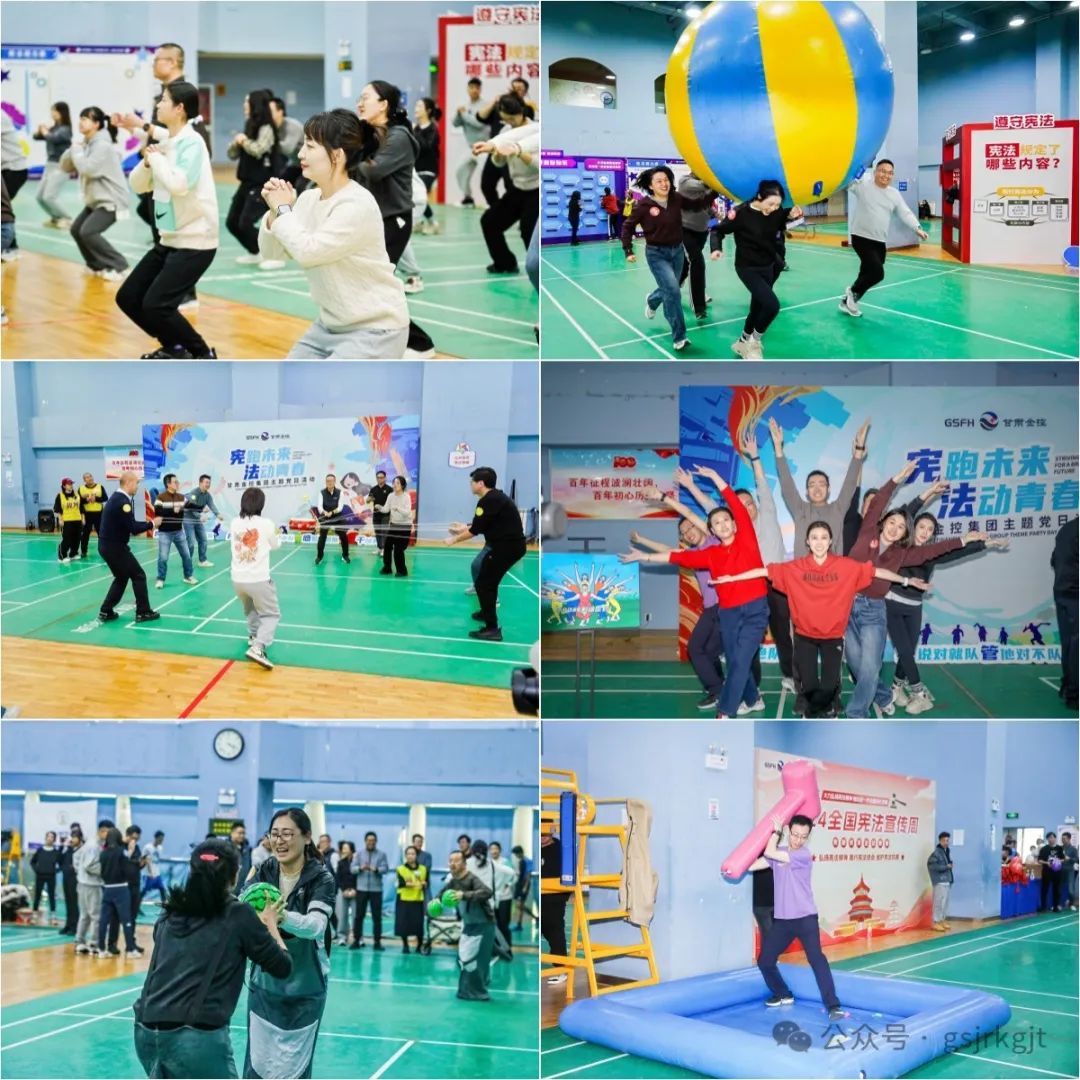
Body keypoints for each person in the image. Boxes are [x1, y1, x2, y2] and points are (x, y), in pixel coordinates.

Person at [713, 521, 929, 717]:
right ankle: (817, 713)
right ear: (807, 542)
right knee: (808, 684)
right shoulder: (795, 567)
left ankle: (822, 711)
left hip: (833, 637)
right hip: (804, 637)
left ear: (830, 541)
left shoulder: (845, 566)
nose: (819, 542)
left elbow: (877, 572)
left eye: (824, 537)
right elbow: (762, 571)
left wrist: (906, 580)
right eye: (814, 537)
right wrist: (732, 577)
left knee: (828, 686)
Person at [133, 838, 291, 1080]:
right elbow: (282, 966)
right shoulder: (238, 914)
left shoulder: (170, 910)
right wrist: (270, 923)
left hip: (145, 1030)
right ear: (234, 874)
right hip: (194, 1036)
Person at [258, 109, 409, 359]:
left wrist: (284, 209)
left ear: (337, 155)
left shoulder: (356, 204)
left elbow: (309, 252)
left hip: (376, 329)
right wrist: (275, 212)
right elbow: (272, 252)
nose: (300, 154)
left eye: (310, 146)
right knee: (290, 380)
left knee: (331, 384)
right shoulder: (309, 198)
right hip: (329, 325)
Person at [846, 465, 988, 718]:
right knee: (856, 665)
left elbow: (931, 551)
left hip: (874, 610)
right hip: (846, 606)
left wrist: (963, 540)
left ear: (905, 533)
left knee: (870, 666)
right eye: (891, 522)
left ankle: (857, 713)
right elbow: (879, 502)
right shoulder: (868, 531)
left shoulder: (901, 553)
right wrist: (897, 479)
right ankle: (884, 695)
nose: (894, 528)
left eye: (901, 527)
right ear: (883, 522)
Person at [622, 477, 768, 719]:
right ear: (712, 531)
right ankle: (753, 700)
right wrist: (644, 556)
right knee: (734, 660)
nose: (722, 525)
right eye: (716, 523)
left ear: (735, 524)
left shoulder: (747, 539)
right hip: (728, 613)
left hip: (755, 610)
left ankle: (725, 711)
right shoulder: (709, 554)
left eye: (726, 520)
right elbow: (675, 556)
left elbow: (735, 504)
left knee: (740, 661)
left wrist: (715, 478)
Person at [117, 81, 219, 359]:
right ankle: (174, 347)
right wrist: (147, 162)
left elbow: (179, 184)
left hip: (195, 242)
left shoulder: (192, 143)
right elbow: (137, 185)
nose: (158, 104)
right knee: (128, 298)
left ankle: (202, 354)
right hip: (169, 239)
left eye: (163, 100)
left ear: (179, 108)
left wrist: (157, 160)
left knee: (157, 305)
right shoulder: (167, 144)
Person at [113, 42, 211, 314]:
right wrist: (135, 129)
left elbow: (190, 143)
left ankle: (185, 294)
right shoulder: (164, 97)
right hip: (160, 184)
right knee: (159, 229)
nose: (154, 64)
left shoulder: (185, 96)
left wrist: (144, 129)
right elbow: (163, 137)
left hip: (177, 184)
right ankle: (169, 291)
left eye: (158, 59)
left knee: (178, 238)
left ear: (172, 62)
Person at [886, 509, 1006, 714]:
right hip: (893, 605)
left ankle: (896, 687)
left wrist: (986, 544)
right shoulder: (899, 547)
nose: (925, 532)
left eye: (930, 529)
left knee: (908, 652)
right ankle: (920, 695)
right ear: (912, 528)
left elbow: (957, 552)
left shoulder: (931, 553)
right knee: (904, 651)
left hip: (914, 608)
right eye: (921, 527)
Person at [244, 809, 335, 1079]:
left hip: (306, 987)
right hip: (264, 984)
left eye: (287, 834)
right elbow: (241, 902)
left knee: (293, 1068)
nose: (279, 841)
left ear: (307, 837)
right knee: (258, 1064)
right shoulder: (265, 869)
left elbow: (316, 926)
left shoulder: (322, 878)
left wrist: (278, 917)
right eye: (274, 834)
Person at [355, 80, 436, 358]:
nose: (359, 103)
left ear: (384, 104)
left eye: (366, 97)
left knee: (375, 286)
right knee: (367, 286)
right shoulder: (370, 135)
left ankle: (420, 343)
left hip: (394, 220)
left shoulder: (399, 137)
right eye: (359, 98)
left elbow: (372, 171)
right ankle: (390, 338)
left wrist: (343, 158)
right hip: (372, 219)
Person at [749, 814, 843, 1019]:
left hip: (805, 918)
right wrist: (739, 862)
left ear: (808, 837)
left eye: (803, 836)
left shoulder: (803, 855)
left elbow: (770, 852)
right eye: (795, 834)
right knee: (765, 960)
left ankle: (833, 1005)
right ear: (789, 831)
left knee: (816, 959)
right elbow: (753, 865)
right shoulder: (780, 853)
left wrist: (776, 832)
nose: (798, 840)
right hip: (783, 921)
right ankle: (783, 993)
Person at [622, 166, 715, 350]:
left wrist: (714, 192)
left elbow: (696, 205)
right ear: (650, 185)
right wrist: (628, 250)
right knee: (673, 291)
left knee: (670, 288)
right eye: (659, 181)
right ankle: (680, 337)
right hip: (656, 254)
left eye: (666, 180)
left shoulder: (676, 199)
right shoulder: (644, 206)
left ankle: (652, 300)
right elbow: (628, 226)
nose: (664, 184)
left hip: (677, 252)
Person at [714, 180, 805, 358]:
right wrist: (716, 248)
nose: (774, 208)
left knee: (757, 307)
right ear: (759, 197)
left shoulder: (776, 211)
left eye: (777, 205)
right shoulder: (740, 213)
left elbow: (781, 222)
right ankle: (754, 343)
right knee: (772, 306)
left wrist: (791, 214)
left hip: (768, 265)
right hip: (747, 268)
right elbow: (718, 230)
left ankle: (742, 342)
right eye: (770, 204)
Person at [444, 467, 527, 642]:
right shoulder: (494, 497)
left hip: (506, 547)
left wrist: (454, 540)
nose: (471, 484)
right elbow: (482, 523)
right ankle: (486, 612)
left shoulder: (488, 501)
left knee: (484, 584)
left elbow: (475, 530)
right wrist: (463, 527)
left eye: (472, 482)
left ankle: (492, 629)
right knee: (485, 577)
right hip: (507, 545)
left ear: (480, 483)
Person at [840, 159, 928, 318]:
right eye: (882, 171)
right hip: (860, 237)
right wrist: (852, 171)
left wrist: (917, 228)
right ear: (875, 172)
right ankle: (852, 292)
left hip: (879, 240)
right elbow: (847, 182)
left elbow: (905, 212)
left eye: (889, 173)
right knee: (877, 273)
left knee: (866, 272)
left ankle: (847, 302)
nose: (886, 175)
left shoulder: (894, 194)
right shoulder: (863, 185)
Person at [770, 416, 867, 557]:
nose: (817, 489)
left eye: (822, 484)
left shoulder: (838, 509)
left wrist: (859, 450)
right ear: (807, 491)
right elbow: (787, 484)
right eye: (812, 485)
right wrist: (778, 448)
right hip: (803, 570)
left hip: (833, 570)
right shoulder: (800, 509)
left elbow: (849, 484)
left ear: (829, 489)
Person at [472, 94, 540, 276]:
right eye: (505, 119)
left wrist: (518, 152)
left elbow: (540, 165)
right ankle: (505, 263)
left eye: (512, 118)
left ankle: (539, 272)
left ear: (521, 112)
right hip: (517, 190)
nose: (509, 123)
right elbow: (499, 163)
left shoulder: (536, 130)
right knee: (489, 222)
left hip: (536, 191)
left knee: (528, 230)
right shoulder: (504, 133)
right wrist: (498, 155)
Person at [226, 89, 283, 269]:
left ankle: (275, 254)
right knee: (232, 222)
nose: (245, 105)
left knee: (245, 222)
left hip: (261, 183)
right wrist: (236, 143)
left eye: (247, 101)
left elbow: (259, 149)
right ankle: (255, 251)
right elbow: (232, 154)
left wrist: (243, 141)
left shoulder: (267, 127)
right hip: (246, 182)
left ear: (255, 105)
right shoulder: (249, 125)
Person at [229, 486, 282, 670]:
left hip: (237, 580)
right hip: (258, 579)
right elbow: (275, 545)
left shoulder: (235, 522)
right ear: (261, 504)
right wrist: (278, 533)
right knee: (271, 614)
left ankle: (253, 637)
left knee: (250, 610)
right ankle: (258, 647)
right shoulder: (267, 524)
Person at [98, 471, 159, 623]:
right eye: (136, 483)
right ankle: (143, 612)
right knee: (139, 575)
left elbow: (128, 524)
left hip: (107, 546)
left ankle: (106, 610)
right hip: (115, 547)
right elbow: (134, 528)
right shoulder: (123, 502)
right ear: (129, 483)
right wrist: (152, 524)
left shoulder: (118, 498)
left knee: (121, 577)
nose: (137, 486)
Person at [447, 849, 495, 1001]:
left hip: (483, 925)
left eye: (456, 861)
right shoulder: (453, 881)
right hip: (469, 925)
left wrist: (464, 895)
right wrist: (434, 903)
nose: (453, 864)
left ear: (464, 864)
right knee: (463, 959)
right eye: (450, 861)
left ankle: (478, 993)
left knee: (472, 961)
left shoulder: (471, 879)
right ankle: (467, 990)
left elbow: (487, 892)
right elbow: (441, 895)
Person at [98, 827, 144, 958]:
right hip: (121, 888)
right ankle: (130, 949)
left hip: (107, 888)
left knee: (104, 920)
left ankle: (101, 949)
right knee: (126, 919)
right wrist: (130, 854)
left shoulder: (103, 853)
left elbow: (101, 871)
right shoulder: (121, 852)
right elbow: (128, 871)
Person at [677, 173, 715, 320]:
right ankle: (698, 306)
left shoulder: (705, 185)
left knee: (686, 265)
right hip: (685, 230)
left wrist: (716, 217)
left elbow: (706, 206)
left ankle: (674, 286)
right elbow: (704, 186)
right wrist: (718, 183)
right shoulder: (685, 181)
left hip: (702, 232)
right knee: (697, 262)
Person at [1051, 517, 1078, 711]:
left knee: (1069, 643)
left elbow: (1054, 559)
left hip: (1062, 591)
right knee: (1076, 646)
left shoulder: (1066, 529)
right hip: (1076, 592)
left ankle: (1068, 686)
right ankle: (1075, 694)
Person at [153, 473, 197, 589]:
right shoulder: (160, 498)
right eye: (175, 482)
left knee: (187, 555)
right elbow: (158, 513)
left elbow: (191, 506)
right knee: (163, 557)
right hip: (165, 533)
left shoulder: (181, 497)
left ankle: (188, 576)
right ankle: (160, 579)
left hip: (179, 532)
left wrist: (202, 509)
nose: (177, 483)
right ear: (168, 484)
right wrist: (173, 510)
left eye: (177, 481)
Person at [33, 101, 73, 227]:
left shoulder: (65, 129)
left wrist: (45, 131)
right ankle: (56, 218)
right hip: (49, 165)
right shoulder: (54, 128)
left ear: (62, 112)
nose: (52, 113)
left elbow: (53, 138)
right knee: (39, 196)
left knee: (49, 196)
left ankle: (67, 219)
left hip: (60, 166)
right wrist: (40, 130)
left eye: (55, 110)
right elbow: (37, 137)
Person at [452, 78, 488, 206]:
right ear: (468, 89)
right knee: (460, 171)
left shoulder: (485, 106)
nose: (474, 90)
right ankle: (467, 198)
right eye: (471, 87)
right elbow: (455, 124)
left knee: (486, 175)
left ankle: (490, 201)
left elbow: (479, 124)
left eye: (477, 88)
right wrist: (458, 114)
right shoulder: (465, 106)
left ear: (480, 90)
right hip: (471, 148)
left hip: (484, 147)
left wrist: (464, 114)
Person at [539, 826, 567, 985]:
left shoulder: (560, 849)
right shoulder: (538, 850)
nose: (543, 836)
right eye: (541, 833)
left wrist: (563, 895)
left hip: (555, 899)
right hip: (540, 899)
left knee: (555, 933)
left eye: (546, 833)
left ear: (552, 832)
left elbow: (568, 873)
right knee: (542, 931)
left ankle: (561, 969)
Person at [351, 831, 388, 949]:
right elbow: (352, 868)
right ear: (365, 841)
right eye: (369, 840)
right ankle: (356, 940)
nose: (371, 842)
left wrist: (376, 869)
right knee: (359, 916)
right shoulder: (359, 854)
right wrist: (360, 868)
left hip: (376, 890)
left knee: (376, 917)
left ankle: (377, 942)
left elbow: (385, 869)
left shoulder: (382, 854)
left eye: (373, 840)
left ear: (376, 841)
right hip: (361, 889)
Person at [1, 112, 29, 258]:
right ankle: (11, 247)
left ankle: (10, 247)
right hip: (7, 168)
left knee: (4, 206)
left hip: (14, 169)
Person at [412, 97, 441, 234]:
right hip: (415, 170)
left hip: (428, 170)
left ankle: (432, 222)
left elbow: (427, 147)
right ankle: (419, 222)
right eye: (416, 106)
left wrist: (414, 132)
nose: (416, 109)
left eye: (419, 106)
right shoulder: (415, 128)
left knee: (418, 195)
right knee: (413, 195)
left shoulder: (433, 129)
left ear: (428, 111)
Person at [374, 474, 413, 577]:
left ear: (402, 485)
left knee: (398, 549)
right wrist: (379, 507)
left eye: (397, 483)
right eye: (394, 483)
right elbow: (386, 509)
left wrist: (398, 508)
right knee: (387, 546)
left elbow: (407, 513)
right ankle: (387, 568)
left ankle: (402, 571)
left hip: (404, 526)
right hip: (393, 525)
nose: (395, 485)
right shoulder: (391, 496)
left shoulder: (406, 496)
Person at [183, 474, 224, 568]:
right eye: (206, 482)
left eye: (209, 483)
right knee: (191, 543)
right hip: (188, 520)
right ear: (200, 483)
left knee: (203, 540)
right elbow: (191, 507)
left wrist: (218, 514)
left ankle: (202, 560)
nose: (208, 484)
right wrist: (200, 515)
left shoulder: (207, 495)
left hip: (198, 520)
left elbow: (211, 505)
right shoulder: (194, 493)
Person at [74, 826, 103, 955]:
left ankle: (79, 941)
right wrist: (105, 870)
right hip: (91, 885)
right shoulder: (94, 846)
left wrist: (79, 873)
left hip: (82, 883)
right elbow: (89, 866)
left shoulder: (90, 844)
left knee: (84, 915)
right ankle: (94, 943)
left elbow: (76, 858)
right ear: (102, 831)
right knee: (95, 916)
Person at [486, 841, 517, 955]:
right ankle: (495, 948)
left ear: (500, 850)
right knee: (493, 925)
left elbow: (514, 876)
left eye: (496, 849)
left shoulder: (506, 862)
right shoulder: (487, 863)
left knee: (504, 924)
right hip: (491, 899)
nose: (494, 851)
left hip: (505, 898)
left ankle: (507, 948)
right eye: (491, 849)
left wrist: (508, 885)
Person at [395, 845, 427, 953]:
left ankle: (419, 945)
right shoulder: (400, 869)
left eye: (413, 854)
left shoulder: (423, 869)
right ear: (405, 856)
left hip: (417, 899)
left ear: (416, 855)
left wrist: (423, 884)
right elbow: (401, 883)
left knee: (418, 924)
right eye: (408, 854)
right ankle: (405, 945)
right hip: (403, 899)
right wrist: (416, 884)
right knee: (403, 924)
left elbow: (426, 883)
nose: (410, 856)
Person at [269, 96, 305, 189]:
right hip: (297, 164)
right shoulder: (273, 127)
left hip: (310, 165)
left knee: (300, 187)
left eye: (270, 111)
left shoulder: (292, 126)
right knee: (279, 184)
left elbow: (287, 149)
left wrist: (268, 142)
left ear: (280, 112)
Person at [314, 473, 350, 565]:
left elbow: (340, 507)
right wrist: (324, 512)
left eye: (331, 481)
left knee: (343, 536)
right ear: (325, 482)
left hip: (337, 516)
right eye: (328, 481)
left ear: (335, 482)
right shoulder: (321, 493)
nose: (329, 482)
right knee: (322, 537)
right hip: (325, 517)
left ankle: (345, 555)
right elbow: (319, 507)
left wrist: (332, 512)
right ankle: (319, 557)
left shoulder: (340, 492)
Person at [927, 831, 953, 932]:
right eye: (945, 840)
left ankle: (942, 920)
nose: (947, 842)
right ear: (940, 841)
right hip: (940, 881)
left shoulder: (946, 852)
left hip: (946, 880)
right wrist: (946, 867)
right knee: (938, 902)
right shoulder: (936, 853)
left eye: (948, 840)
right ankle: (935, 922)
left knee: (945, 902)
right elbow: (932, 866)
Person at [54, 478, 84, 563]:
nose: (71, 485)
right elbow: (57, 509)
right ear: (64, 486)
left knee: (77, 538)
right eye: (68, 484)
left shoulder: (77, 494)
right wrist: (60, 519)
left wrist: (83, 518)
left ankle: (73, 554)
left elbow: (81, 508)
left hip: (77, 519)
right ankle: (62, 556)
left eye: (71, 484)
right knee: (67, 539)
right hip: (66, 520)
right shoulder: (60, 495)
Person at [78, 472, 108, 559]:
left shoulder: (100, 487)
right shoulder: (81, 489)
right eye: (87, 477)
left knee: (101, 534)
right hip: (87, 514)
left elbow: (105, 498)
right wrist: (86, 500)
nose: (90, 478)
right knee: (85, 534)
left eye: (90, 476)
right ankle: (84, 551)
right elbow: (78, 501)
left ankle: (104, 551)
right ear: (84, 480)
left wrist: (96, 498)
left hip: (99, 514)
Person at [334, 840, 358, 946]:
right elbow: (338, 878)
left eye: (346, 848)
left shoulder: (357, 862)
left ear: (351, 850)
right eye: (343, 848)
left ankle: (358, 936)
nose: (343, 850)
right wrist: (344, 890)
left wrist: (354, 889)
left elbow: (358, 877)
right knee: (342, 915)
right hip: (343, 892)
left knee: (356, 915)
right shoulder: (340, 863)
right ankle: (342, 937)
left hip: (355, 892)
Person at [31, 832, 60, 918]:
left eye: (52, 837)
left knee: (52, 895)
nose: (50, 838)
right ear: (45, 838)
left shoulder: (56, 852)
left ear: (54, 840)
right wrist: (37, 870)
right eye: (48, 836)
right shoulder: (40, 850)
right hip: (40, 876)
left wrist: (55, 871)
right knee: (37, 895)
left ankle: (53, 914)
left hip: (51, 876)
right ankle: (35, 913)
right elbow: (32, 862)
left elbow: (62, 864)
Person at [366, 470, 393, 556]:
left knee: (384, 532)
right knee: (377, 531)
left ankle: (384, 549)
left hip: (385, 514)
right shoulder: (373, 489)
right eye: (378, 478)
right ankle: (379, 548)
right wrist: (369, 499)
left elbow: (392, 502)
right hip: (376, 514)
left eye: (381, 477)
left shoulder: (389, 489)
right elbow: (368, 500)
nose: (379, 479)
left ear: (385, 478)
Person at [1038, 833, 1066, 913]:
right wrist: (1047, 863)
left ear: (1055, 838)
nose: (1051, 839)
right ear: (1047, 839)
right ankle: (1043, 907)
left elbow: (1063, 859)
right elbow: (1039, 860)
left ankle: (1055, 907)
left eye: (1052, 837)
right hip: (1046, 871)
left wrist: (1056, 861)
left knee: (1056, 889)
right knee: (1044, 889)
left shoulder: (1059, 848)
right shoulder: (1044, 849)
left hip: (1057, 872)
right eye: (1049, 838)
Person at [141, 831, 167, 904]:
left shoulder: (160, 848)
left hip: (157, 874)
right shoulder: (147, 847)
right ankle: (135, 905)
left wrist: (156, 872)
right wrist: (150, 873)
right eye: (160, 839)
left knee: (162, 888)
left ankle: (165, 906)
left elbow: (157, 860)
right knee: (144, 890)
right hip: (148, 874)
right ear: (156, 838)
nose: (162, 841)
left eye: (162, 839)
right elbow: (146, 860)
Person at [511, 844, 532, 930]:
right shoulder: (520, 861)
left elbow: (528, 875)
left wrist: (525, 887)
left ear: (520, 853)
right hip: (519, 884)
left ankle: (520, 924)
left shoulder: (527, 861)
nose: (516, 856)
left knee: (519, 905)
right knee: (519, 905)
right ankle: (520, 924)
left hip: (523, 885)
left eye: (516, 854)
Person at [230, 824, 253, 893]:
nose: (242, 835)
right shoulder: (226, 848)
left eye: (243, 833)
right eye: (239, 833)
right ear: (232, 833)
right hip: (230, 889)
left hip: (244, 889)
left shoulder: (248, 849)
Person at [412, 834, 433, 902]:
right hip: (412, 886)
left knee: (428, 905)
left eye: (421, 842)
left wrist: (415, 872)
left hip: (424, 886)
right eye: (417, 842)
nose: (419, 844)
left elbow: (426, 869)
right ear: (413, 843)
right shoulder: (410, 855)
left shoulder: (427, 855)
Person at [1061, 832, 1078, 912]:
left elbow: (1076, 859)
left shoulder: (1073, 849)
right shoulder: (1060, 848)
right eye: (1062, 838)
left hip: (1070, 871)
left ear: (1069, 839)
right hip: (1060, 870)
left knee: (1071, 890)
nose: (1063, 840)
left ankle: (1072, 904)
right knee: (1059, 888)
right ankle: (1059, 904)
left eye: (1064, 838)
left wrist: (1069, 859)